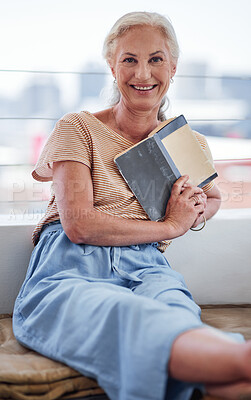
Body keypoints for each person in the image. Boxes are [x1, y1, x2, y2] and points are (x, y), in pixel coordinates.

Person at [13, 11, 251, 400]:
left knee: (175, 312)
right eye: (130, 60)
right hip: (73, 265)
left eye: (156, 59)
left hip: (148, 268)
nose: (143, 74)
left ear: (173, 66)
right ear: (112, 66)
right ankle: (241, 360)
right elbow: (80, 225)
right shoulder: (77, 127)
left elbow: (211, 198)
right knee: (129, 317)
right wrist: (170, 227)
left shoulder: (188, 143)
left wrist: (194, 208)